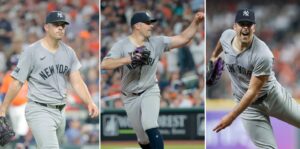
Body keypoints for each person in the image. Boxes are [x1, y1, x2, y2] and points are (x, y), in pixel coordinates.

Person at [101, 11, 204, 149]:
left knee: (150, 124)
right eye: (148, 23)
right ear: (137, 26)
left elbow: (183, 38)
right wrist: (129, 59)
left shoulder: (157, 42)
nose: (151, 26)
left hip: (149, 89)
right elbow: (105, 64)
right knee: (143, 139)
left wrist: (195, 22)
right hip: (129, 96)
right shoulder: (122, 45)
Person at [0, 11, 99, 149]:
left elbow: (76, 81)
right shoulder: (31, 51)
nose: (60, 28)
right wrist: (3, 109)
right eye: (56, 25)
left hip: (60, 111)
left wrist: (89, 101)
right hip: (39, 108)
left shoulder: (69, 52)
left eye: (63, 25)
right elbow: (17, 82)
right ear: (46, 27)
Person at [210, 8, 300, 148]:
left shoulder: (263, 54)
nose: (245, 28)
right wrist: (214, 56)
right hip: (249, 108)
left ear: (254, 28)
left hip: (273, 97)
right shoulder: (227, 36)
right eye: (242, 24)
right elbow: (222, 43)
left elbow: (252, 92)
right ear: (234, 27)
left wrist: (231, 117)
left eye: (249, 24)